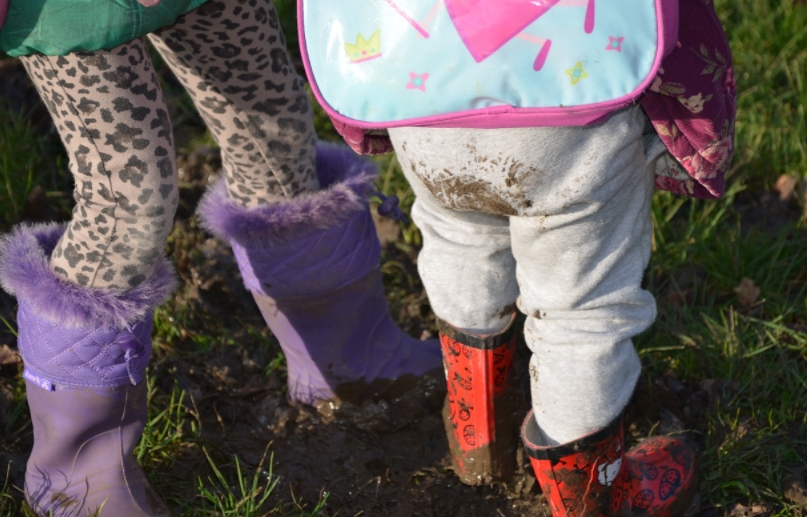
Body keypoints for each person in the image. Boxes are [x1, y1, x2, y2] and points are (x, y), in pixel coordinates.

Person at [0, 0, 441, 515]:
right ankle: (78, 472)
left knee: (273, 127)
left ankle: (350, 364)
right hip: (70, 11)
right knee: (130, 196)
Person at [303, 0, 735, 513]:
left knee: (461, 236)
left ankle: (479, 439)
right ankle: (594, 499)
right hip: (572, 86)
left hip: (420, 74)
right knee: (580, 305)